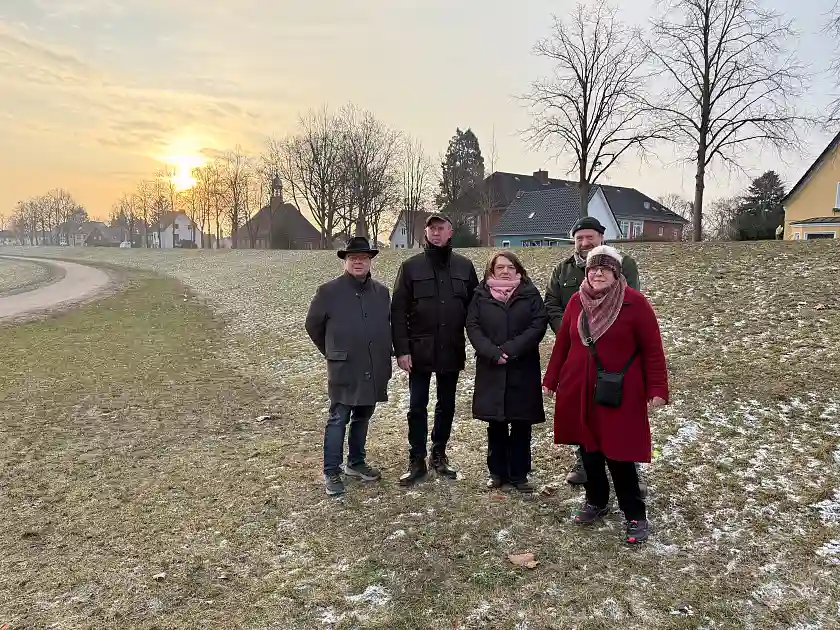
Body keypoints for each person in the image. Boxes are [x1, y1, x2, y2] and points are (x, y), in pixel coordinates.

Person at [542, 245, 668, 544]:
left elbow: (653, 351)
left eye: (605, 268)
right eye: (592, 268)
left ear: (616, 273)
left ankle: (635, 514)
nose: (597, 273)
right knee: (589, 451)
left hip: (619, 390)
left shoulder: (635, 303)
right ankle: (596, 501)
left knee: (620, 453)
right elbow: (563, 345)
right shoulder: (576, 301)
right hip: (579, 389)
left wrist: (658, 389)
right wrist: (550, 380)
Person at [544, 216, 642, 488]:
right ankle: (584, 461)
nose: (584, 242)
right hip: (577, 351)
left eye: (590, 237)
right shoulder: (562, 270)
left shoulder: (623, 263)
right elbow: (551, 303)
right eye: (579, 238)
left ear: (601, 237)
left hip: (613, 354)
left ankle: (629, 466)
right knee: (581, 408)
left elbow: (629, 302)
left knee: (616, 411)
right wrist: (569, 331)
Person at [391, 214, 479, 485]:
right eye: (431, 228)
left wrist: (481, 343)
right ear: (426, 233)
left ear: (450, 232)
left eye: (441, 228)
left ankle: (439, 454)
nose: (436, 232)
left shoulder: (464, 267)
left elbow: (476, 309)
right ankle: (416, 458)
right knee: (417, 406)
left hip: (451, 348)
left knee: (447, 405)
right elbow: (398, 311)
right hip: (419, 351)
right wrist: (402, 350)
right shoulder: (410, 267)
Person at [305, 236, 393, 496]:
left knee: (363, 416)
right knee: (338, 418)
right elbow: (313, 326)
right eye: (353, 258)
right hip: (344, 367)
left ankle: (356, 463)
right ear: (345, 261)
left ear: (370, 261)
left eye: (363, 258)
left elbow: (387, 325)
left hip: (373, 365)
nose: (358, 262)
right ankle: (331, 471)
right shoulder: (328, 292)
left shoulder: (381, 292)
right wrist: (332, 352)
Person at [466, 251, 548, 493]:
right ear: (491, 271)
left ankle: (519, 474)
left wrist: (510, 350)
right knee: (496, 424)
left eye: (509, 266)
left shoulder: (530, 294)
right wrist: (492, 352)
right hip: (491, 367)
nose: (504, 271)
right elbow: (473, 326)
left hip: (522, 367)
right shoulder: (480, 295)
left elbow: (538, 324)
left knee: (522, 424)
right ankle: (497, 472)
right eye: (499, 267)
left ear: (518, 270)